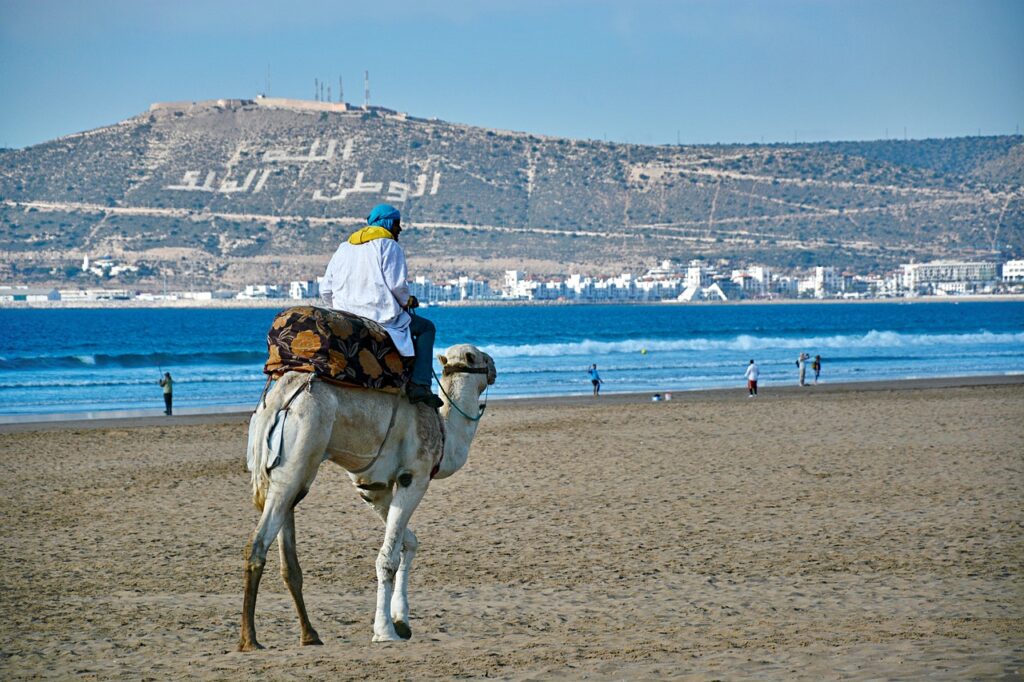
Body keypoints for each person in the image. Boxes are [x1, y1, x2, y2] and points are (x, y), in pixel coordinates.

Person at [320, 204, 443, 408]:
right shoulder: (388, 246)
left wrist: (340, 311)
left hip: (346, 317)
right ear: (386, 223)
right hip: (379, 316)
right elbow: (396, 285)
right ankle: (420, 385)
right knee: (426, 328)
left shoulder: (343, 248)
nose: (399, 229)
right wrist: (406, 301)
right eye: (397, 224)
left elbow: (325, 290)